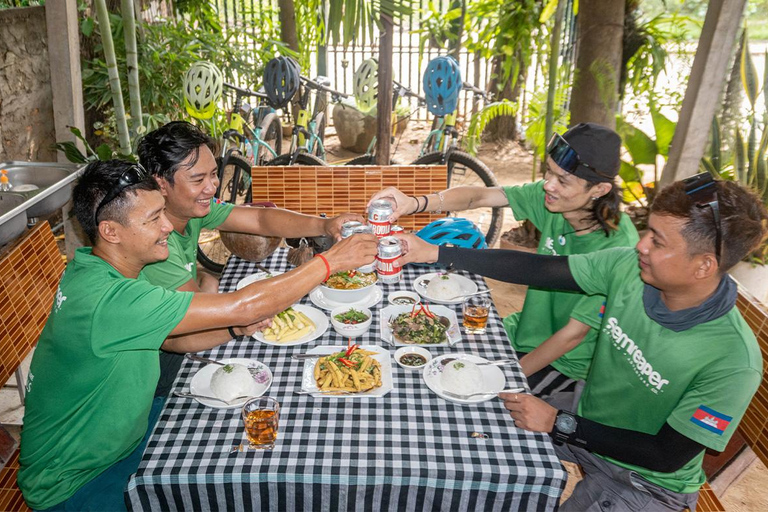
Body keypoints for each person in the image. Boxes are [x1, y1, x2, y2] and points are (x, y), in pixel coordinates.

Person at [18, 160, 376, 511]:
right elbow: (243, 305)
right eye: (153, 219)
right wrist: (331, 262)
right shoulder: (112, 300)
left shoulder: (98, 267)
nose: (167, 228)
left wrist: (235, 330)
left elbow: (172, 341)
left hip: (127, 437)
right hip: (75, 482)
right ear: (111, 232)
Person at [394, 174, 768, 511]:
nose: (641, 245)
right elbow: (540, 270)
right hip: (585, 415)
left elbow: (665, 455)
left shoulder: (732, 359)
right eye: (647, 231)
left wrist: (559, 422)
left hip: (642, 481)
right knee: (457, 425)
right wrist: (436, 253)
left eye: (658, 240)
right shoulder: (629, 271)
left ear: (704, 265)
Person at [369, 122, 639, 407]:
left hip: (563, 363)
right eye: (549, 172)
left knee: (472, 399)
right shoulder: (554, 199)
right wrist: (414, 203)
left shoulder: (618, 250)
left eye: (563, 180)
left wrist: (508, 378)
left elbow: (571, 337)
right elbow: (480, 196)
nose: (548, 184)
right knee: (425, 355)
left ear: (599, 189)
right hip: (519, 331)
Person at [137, 121, 364, 397]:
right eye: (198, 180)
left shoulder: (189, 209)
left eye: (213, 174)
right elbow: (195, 325)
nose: (212, 187)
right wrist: (330, 262)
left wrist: (324, 225)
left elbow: (259, 218)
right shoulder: (155, 244)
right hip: (157, 370)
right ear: (161, 184)